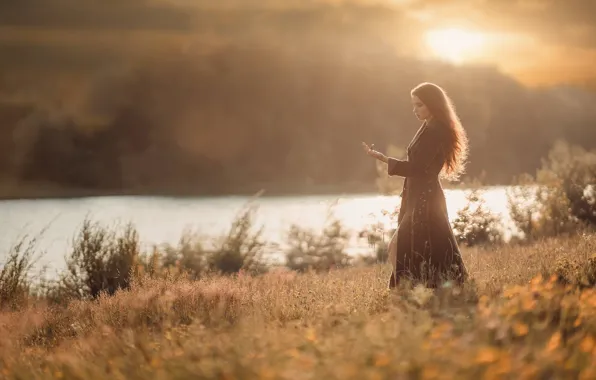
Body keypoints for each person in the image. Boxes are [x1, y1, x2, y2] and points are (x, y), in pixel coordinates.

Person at [362, 82, 469, 288]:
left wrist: (385, 160)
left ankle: (407, 288)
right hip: (419, 194)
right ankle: (429, 286)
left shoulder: (436, 130)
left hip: (425, 198)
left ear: (432, 104)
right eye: (413, 105)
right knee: (431, 244)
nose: (415, 110)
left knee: (402, 245)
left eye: (419, 105)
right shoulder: (429, 126)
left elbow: (419, 169)